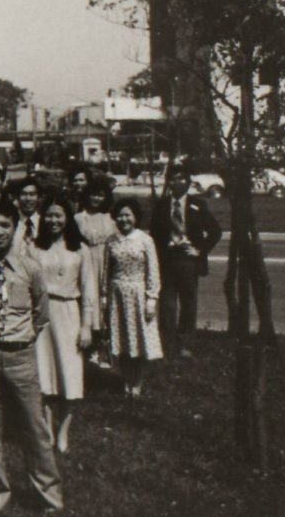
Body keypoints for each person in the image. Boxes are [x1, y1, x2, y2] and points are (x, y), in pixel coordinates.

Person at [0, 199, 62, 515]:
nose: (0, 231)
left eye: (6, 225)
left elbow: (41, 313)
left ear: (15, 227)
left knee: (35, 427)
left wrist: (24, 338)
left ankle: (49, 494)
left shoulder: (29, 268)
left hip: (21, 356)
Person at [32, 197, 96, 455]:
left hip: (70, 311)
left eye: (58, 215)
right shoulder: (34, 248)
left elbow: (89, 287)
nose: (53, 220)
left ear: (67, 217)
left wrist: (87, 325)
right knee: (45, 374)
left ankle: (63, 431)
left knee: (69, 374)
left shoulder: (80, 249)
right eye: (49, 215)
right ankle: (47, 428)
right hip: (42, 315)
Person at [149, 165, 221, 361]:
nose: (177, 182)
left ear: (188, 183)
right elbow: (154, 235)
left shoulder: (197, 205)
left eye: (181, 178)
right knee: (167, 305)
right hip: (167, 261)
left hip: (189, 261)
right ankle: (166, 345)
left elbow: (215, 231)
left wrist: (199, 250)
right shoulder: (161, 205)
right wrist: (164, 245)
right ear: (168, 182)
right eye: (173, 179)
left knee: (189, 303)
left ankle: (184, 345)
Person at [103, 198, 162, 399]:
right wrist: (104, 296)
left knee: (142, 341)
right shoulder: (111, 240)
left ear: (136, 217)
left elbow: (153, 270)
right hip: (117, 295)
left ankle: (138, 383)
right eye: (120, 215)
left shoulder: (145, 240)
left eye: (128, 214)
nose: (124, 219)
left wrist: (151, 298)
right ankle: (126, 381)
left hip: (139, 294)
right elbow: (106, 271)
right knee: (123, 343)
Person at [75, 174, 116, 367]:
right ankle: (87, 347)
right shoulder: (78, 218)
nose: (96, 199)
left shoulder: (110, 218)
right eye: (93, 195)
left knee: (104, 301)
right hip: (85, 262)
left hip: (104, 263)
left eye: (100, 195)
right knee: (87, 299)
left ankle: (103, 348)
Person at [12, 178, 42, 253]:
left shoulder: (44, 223)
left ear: (38, 198)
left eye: (32, 194)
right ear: (18, 198)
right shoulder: (11, 222)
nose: (28, 198)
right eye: (23, 194)